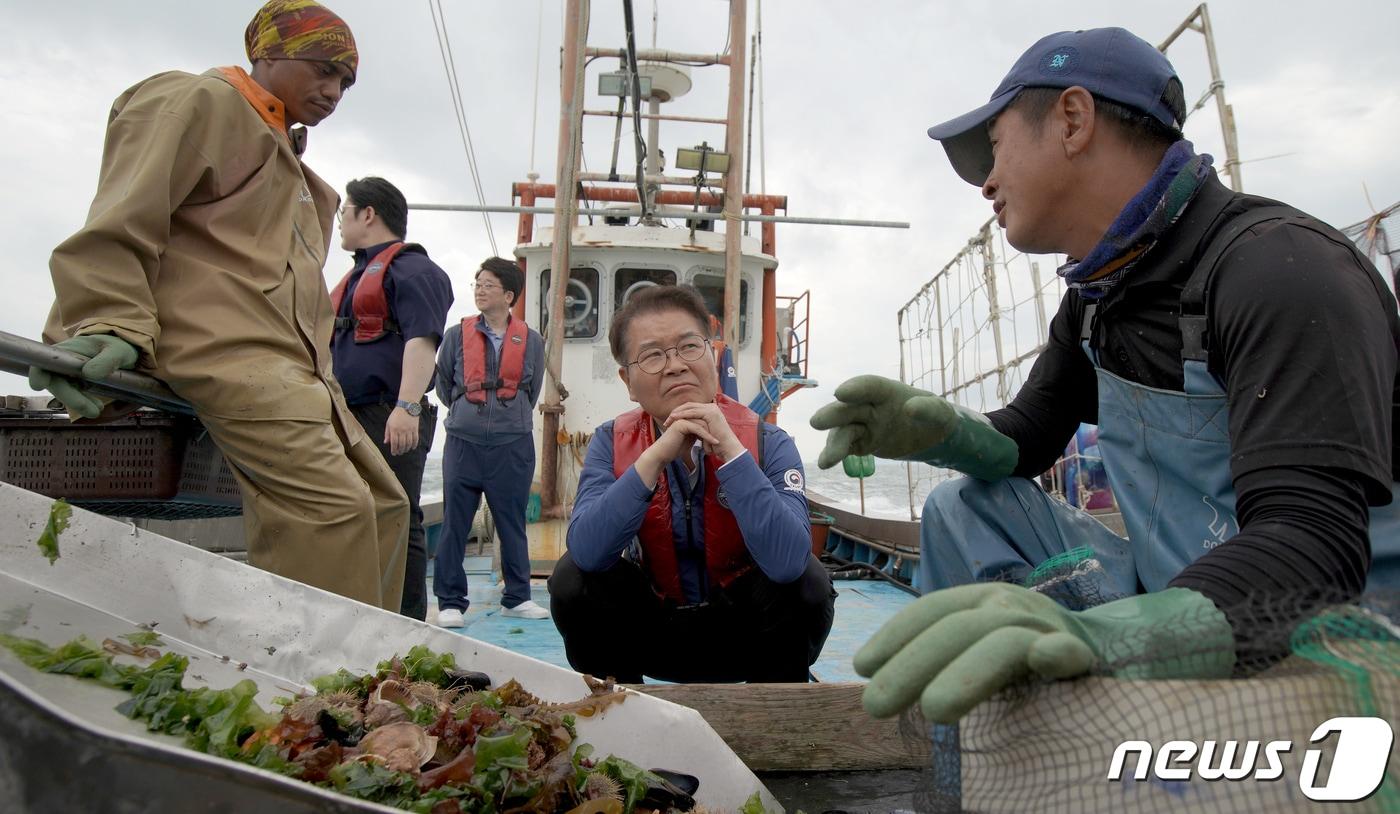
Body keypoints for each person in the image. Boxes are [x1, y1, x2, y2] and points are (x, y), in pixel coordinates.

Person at [811, 27, 1400, 723]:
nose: (987, 183)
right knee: (961, 507)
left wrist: (1111, 636)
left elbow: (1315, 545)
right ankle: (990, 749)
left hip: (1341, 639)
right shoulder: (1096, 300)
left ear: (1072, 119)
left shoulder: (1280, 269)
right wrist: (941, 432)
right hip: (1175, 585)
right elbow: (1029, 439)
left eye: (995, 147)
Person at [32, 0, 411, 610]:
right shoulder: (195, 101)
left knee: (387, 505)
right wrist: (108, 319)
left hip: (298, 373)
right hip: (229, 356)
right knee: (332, 511)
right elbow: (124, 217)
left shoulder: (299, 172)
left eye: (344, 81)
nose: (333, 91)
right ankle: (312, 663)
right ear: (267, 53)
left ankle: (372, 658)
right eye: (322, 69)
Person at [549, 285, 836, 683]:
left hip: (744, 637)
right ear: (628, 381)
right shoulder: (609, 441)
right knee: (572, 581)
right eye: (652, 355)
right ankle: (621, 706)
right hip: (653, 635)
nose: (675, 366)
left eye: (688, 347)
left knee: (808, 584)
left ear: (711, 357)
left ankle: (771, 708)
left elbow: (789, 563)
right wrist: (655, 458)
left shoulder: (769, 441)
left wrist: (731, 451)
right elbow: (586, 552)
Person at [330, 176, 454, 621]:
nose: (339, 221)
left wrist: (406, 407)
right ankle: (359, 609)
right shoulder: (355, 276)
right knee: (355, 514)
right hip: (348, 413)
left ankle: (406, 622)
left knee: (399, 514)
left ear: (368, 214)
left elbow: (423, 339)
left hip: (388, 413)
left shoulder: (414, 271)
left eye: (344, 211)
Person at [433, 258, 548, 626]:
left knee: (512, 522)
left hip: (512, 445)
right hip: (463, 443)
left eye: (488, 285)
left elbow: (531, 390)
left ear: (509, 295)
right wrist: (469, 412)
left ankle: (517, 598)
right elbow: (444, 386)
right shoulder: (456, 335)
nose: (480, 291)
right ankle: (450, 602)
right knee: (455, 523)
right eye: (478, 284)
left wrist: (506, 417)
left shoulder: (532, 341)